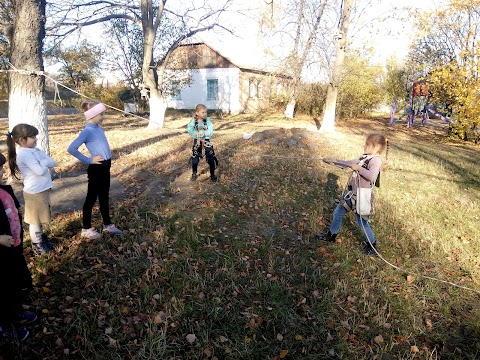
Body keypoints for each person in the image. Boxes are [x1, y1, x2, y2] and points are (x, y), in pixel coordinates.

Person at [316, 133, 389, 256]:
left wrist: (359, 169)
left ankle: (372, 246)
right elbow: (348, 163)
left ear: (376, 147)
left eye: (367, 144)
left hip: (362, 197)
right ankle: (331, 236)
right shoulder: (364, 157)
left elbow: (372, 176)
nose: (364, 145)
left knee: (362, 222)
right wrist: (333, 161)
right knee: (338, 213)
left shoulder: (376, 160)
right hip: (351, 195)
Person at [68, 101, 122, 239]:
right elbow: (72, 148)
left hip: (105, 167)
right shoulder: (87, 131)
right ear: (92, 115)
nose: (103, 117)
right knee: (91, 198)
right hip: (96, 169)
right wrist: (89, 160)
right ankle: (86, 228)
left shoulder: (99, 128)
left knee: (104, 197)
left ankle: (108, 225)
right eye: (101, 114)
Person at [0, 153, 37, 341]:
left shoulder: (2, 189)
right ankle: (5, 326)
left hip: (14, 247)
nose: (2, 171)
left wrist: (17, 209)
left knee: (14, 283)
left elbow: (7, 206)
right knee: (3, 289)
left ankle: (15, 312)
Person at [6, 124, 56, 255]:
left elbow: (53, 162)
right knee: (35, 220)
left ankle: (41, 239)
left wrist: (43, 162)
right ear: (22, 140)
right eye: (32, 137)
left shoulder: (35, 150)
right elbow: (39, 171)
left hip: (42, 189)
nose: (36, 139)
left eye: (35, 136)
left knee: (40, 218)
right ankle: (37, 246)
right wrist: (43, 162)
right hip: (34, 192)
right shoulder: (24, 154)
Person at [187, 104, 218, 182]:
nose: (205, 114)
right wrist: (195, 133)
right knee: (195, 159)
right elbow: (190, 129)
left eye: (206, 112)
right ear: (197, 113)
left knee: (211, 159)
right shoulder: (194, 121)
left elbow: (211, 131)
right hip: (197, 141)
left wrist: (205, 134)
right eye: (203, 112)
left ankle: (213, 175)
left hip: (206, 141)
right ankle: (194, 174)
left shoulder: (208, 120)